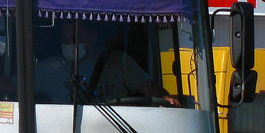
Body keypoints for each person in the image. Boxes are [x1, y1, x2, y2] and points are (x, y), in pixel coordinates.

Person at [34, 19, 179, 106]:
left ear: (93, 37)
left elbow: (150, 89)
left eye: (76, 38)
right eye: (65, 39)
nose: (70, 44)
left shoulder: (118, 61)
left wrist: (165, 98)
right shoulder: (48, 69)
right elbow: (13, 88)